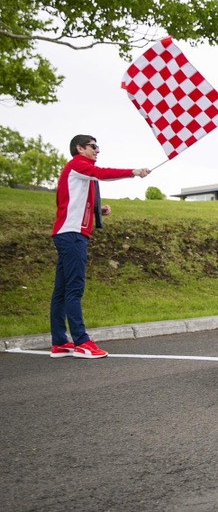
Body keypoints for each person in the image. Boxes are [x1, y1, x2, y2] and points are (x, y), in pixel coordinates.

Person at [49, 135, 150, 359]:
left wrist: (98, 210)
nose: (97, 150)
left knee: (61, 290)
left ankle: (59, 343)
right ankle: (82, 342)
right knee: (74, 289)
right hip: (72, 235)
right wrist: (133, 172)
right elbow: (102, 173)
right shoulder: (78, 164)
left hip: (68, 233)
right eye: (93, 147)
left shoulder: (80, 172)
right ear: (79, 148)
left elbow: (72, 200)